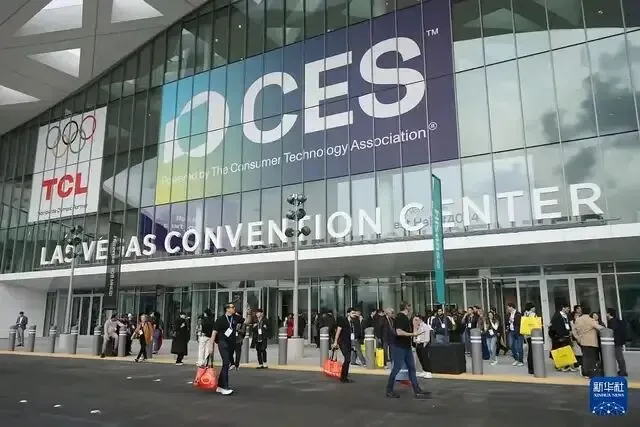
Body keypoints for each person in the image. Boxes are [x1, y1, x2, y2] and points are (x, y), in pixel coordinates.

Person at [385, 302, 430, 399]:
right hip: (400, 347)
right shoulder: (401, 317)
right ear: (406, 307)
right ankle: (389, 390)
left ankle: (417, 390)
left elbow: (410, 331)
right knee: (396, 369)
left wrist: (415, 326)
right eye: (409, 306)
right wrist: (413, 334)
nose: (410, 308)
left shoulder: (405, 318)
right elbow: (399, 332)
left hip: (406, 347)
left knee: (411, 368)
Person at [209, 303, 239, 395]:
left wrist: (249, 313)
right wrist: (210, 346)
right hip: (222, 343)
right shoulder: (220, 320)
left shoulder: (235, 317)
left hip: (231, 344)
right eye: (232, 307)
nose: (234, 308)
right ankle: (225, 387)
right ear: (227, 309)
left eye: (234, 307)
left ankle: (219, 386)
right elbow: (214, 333)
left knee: (226, 364)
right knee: (226, 363)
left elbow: (246, 321)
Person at [573, 306, 604, 378]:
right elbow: (599, 327)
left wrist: (578, 338)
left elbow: (574, 330)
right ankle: (591, 373)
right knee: (592, 358)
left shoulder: (578, 320)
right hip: (591, 342)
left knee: (585, 357)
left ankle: (585, 372)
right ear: (589, 312)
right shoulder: (590, 320)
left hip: (582, 341)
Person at [549, 302, 576, 372]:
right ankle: (560, 366)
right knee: (560, 351)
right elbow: (554, 327)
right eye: (567, 308)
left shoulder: (567, 316)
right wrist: (557, 336)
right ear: (563, 308)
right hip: (560, 336)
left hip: (567, 335)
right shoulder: (557, 316)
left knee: (568, 351)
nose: (568, 310)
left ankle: (568, 365)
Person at [332, 308, 356, 383]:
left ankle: (344, 376)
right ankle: (343, 377)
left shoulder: (352, 322)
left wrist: (353, 344)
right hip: (342, 342)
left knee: (347, 360)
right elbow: (338, 331)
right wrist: (335, 342)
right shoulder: (343, 321)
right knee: (347, 358)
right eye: (353, 313)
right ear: (348, 313)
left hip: (349, 342)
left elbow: (352, 333)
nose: (354, 315)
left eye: (355, 313)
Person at [606, 308, 628, 377]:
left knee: (619, 357)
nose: (606, 314)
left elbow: (611, 332)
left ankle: (623, 371)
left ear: (609, 313)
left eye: (607, 312)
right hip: (618, 341)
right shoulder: (616, 321)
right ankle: (622, 370)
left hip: (616, 342)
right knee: (619, 357)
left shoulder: (612, 322)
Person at [506, 302, 524, 367]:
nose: (507, 309)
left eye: (508, 307)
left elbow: (519, 323)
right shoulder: (508, 314)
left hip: (518, 332)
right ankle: (516, 359)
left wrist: (513, 320)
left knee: (519, 347)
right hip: (511, 331)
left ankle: (521, 361)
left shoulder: (518, 314)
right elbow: (507, 322)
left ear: (511, 307)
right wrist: (508, 323)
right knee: (511, 346)